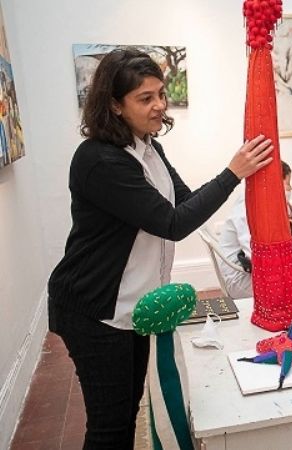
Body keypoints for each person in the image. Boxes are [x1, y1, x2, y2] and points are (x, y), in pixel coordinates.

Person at [46, 48, 273, 449]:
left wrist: (232, 180)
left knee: (127, 408)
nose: (159, 106)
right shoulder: (100, 161)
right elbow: (172, 223)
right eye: (145, 98)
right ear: (115, 105)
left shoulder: (148, 147)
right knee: (108, 427)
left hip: (132, 305)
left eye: (160, 94)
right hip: (96, 311)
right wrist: (233, 173)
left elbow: (182, 202)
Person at [218, 161, 292, 300]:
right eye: (287, 183)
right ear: (274, 183)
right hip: (242, 277)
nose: (290, 189)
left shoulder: (256, 196)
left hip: (247, 269)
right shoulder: (248, 207)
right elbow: (254, 254)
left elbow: (284, 207)